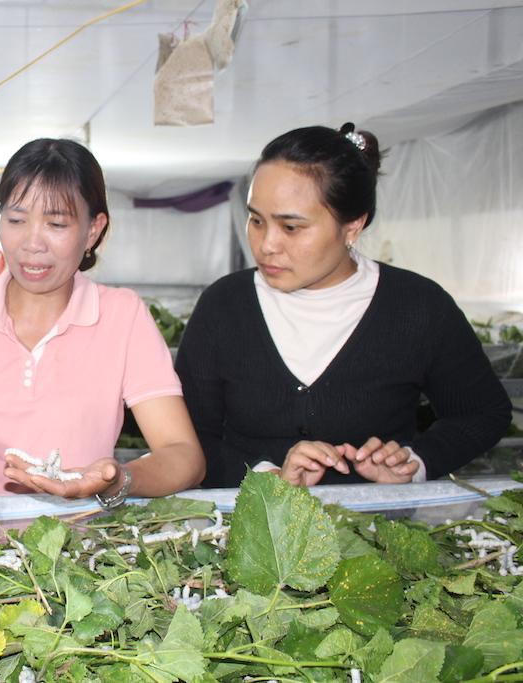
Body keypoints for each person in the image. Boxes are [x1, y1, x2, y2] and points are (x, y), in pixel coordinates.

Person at [176, 123, 512, 488]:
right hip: (250, 531)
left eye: (291, 227)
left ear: (352, 226)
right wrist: (266, 477)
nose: (266, 244)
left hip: (377, 534)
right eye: (256, 220)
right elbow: (186, 438)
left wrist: (415, 462)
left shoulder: (419, 307)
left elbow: (482, 413)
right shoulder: (224, 306)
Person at [0, 138, 205, 502]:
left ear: (93, 230)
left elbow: (184, 455)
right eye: (16, 220)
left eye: (56, 224)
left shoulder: (123, 316)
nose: (32, 243)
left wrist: (115, 479)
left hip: (79, 546)